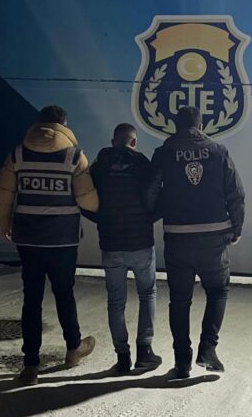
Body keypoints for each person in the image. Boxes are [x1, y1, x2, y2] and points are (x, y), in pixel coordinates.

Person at [0, 105, 98, 386]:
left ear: (38, 124)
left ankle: (30, 366)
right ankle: (73, 349)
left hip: (28, 238)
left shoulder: (18, 154)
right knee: (64, 294)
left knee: (32, 299)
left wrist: (4, 224)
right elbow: (87, 199)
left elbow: (2, 195)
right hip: (63, 239)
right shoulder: (74, 156)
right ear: (64, 124)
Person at [143, 106, 245, 378]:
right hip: (214, 238)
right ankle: (207, 350)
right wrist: (236, 228)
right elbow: (236, 193)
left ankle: (182, 362)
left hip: (177, 237)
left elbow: (149, 192)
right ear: (201, 126)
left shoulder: (164, 153)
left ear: (175, 126)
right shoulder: (218, 151)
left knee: (179, 301)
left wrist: (157, 212)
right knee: (218, 291)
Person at [84, 123, 163, 374]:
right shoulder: (142, 164)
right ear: (134, 143)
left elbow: (86, 200)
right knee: (147, 294)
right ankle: (145, 352)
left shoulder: (99, 167)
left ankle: (122, 357)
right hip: (141, 243)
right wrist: (147, 219)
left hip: (111, 243)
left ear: (113, 141)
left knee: (115, 301)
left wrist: (102, 220)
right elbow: (156, 197)